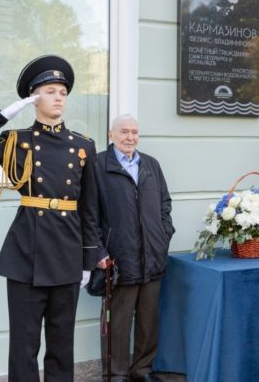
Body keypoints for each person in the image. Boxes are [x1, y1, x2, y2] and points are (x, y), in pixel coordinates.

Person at [0, 55, 108, 381]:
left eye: (62, 92)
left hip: (68, 253)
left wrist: (89, 258)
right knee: (24, 345)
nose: (58, 97)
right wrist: (3, 115)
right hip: (26, 254)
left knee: (61, 345)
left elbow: (89, 208)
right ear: (33, 97)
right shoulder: (18, 142)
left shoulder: (83, 146)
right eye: (49, 91)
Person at [93, 115, 175, 382]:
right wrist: (99, 252)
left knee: (148, 322)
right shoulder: (98, 165)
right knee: (117, 322)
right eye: (124, 132)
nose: (130, 137)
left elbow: (165, 203)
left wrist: (164, 236)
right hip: (118, 259)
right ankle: (115, 373)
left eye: (135, 132)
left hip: (152, 257)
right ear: (111, 134)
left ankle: (142, 370)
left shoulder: (151, 164)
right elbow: (88, 214)